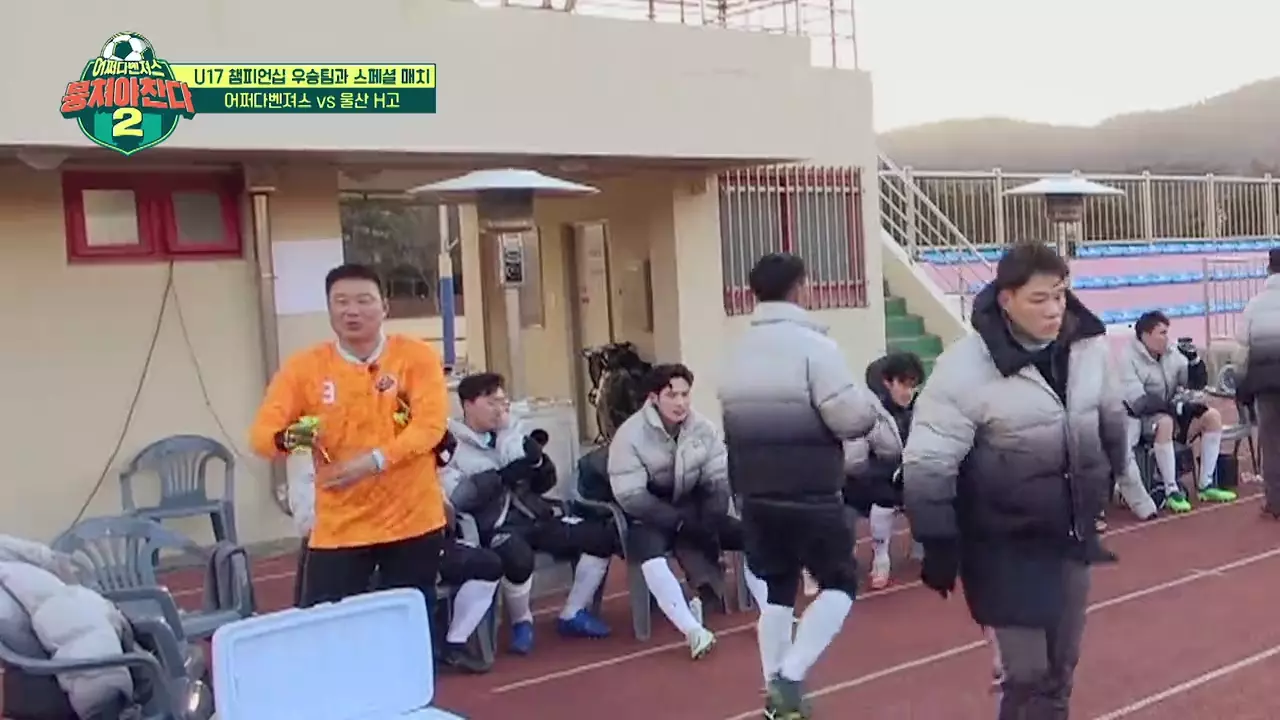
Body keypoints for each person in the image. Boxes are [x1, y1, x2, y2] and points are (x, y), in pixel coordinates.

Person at [902, 242, 1124, 719]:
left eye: (1060, 295)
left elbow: (1109, 416)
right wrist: (936, 539)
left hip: (1070, 536)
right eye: (1039, 299)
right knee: (1026, 674)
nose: (1054, 309)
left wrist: (1115, 477)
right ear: (1007, 299)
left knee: (1060, 671)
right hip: (1000, 543)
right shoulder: (964, 368)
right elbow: (928, 459)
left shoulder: (1089, 349)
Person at [719, 253, 879, 720]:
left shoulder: (735, 352)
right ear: (801, 288)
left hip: (753, 489)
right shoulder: (816, 348)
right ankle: (788, 678)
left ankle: (776, 697)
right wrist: (868, 407)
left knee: (777, 589)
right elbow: (851, 418)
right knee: (840, 583)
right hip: (809, 487)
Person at [249, 263, 450, 608]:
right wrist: (299, 436)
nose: (352, 311)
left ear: (384, 307)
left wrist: (372, 462)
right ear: (329, 310)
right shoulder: (304, 367)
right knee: (327, 620)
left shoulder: (416, 357)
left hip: (412, 518)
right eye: (341, 302)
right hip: (340, 526)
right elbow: (262, 437)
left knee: (409, 620)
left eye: (363, 300)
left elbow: (430, 427)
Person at [443, 372, 617, 655]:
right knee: (518, 557)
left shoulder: (512, 433)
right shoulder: (451, 446)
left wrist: (538, 463)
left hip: (534, 515)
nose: (499, 410)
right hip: (494, 526)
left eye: (503, 402)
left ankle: (573, 612)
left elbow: (544, 483)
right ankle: (521, 622)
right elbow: (458, 498)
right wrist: (500, 477)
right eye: (491, 403)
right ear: (468, 404)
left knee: (600, 537)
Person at [608, 363, 756, 661]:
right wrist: (676, 522)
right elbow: (631, 495)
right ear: (653, 398)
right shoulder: (630, 436)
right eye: (671, 395)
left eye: (685, 394)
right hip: (650, 515)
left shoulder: (703, 428)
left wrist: (712, 515)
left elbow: (718, 477)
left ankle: (773, 614)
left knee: (752, 536)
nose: (680, 403)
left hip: (695, 507)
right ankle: (693, 632)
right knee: (648, 552)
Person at [1119, 310, 1236, 513]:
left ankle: (1206, 485)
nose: (1167, 338)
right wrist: (1176, 408)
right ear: (1145, 335)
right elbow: (1138, 403)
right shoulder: (1128, 359)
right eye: (1162, 333)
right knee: (1165, 422)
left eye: (1167, 332)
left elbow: (1196, 384)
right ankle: (1171, 490)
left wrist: (1194, 362)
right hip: (1140, 420)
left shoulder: (1171, 353)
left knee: (1212, 417)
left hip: (1170, 413)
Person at [843, 351, 925, 590]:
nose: (908, 392)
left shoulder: (922, 407)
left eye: (913, 385)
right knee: (883, 493)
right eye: (903, 384)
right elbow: (854, 460)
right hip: (869, 480)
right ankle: (880, 556)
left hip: (908, 474)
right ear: (888, 382)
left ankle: (928, 545)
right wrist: (889, 471)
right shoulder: (866, 410)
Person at [1237, 248, 1280, 516]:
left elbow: (1242, 348)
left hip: (1266, 384)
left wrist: (1241, 383)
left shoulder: (1254, 305)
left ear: (1268, 269)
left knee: (1271, 443)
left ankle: (1275, 501)